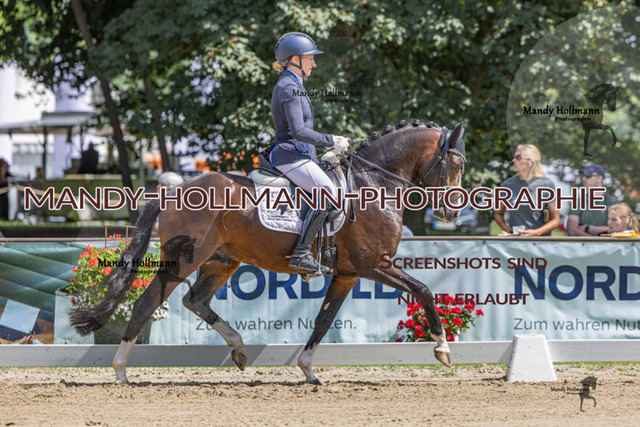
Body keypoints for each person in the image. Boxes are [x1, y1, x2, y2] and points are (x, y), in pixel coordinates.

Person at [266, 32, 350, 273]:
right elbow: (299, 131)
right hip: (291, 155)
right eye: (310, 58)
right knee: (327, 193)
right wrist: (331, 140)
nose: (314, 64)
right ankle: (301, 254)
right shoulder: (288, 87)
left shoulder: (294, 84)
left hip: (301, 155)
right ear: (295, 59)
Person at [494, 144, 560, 236]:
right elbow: (498, 213)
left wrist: (536, 232)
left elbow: (555, 220)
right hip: (516, 241)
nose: (513, 160)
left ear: (531, 162)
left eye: (518, 157)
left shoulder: (546, 184)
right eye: (514, 157)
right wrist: (504, 227)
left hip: (540, 242)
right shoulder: (507, 185)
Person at [566, 164, 612, 236]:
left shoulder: (612, 202)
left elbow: (618, 229)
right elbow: (572, 230)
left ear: (599, 178)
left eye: (588, 176)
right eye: (583, 176)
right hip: (583, 244)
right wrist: (596, 240)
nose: (584, 178)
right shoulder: (578, 202)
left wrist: (587, 228)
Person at [152, 172, 184, 237]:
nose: (158, 186)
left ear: (172, 188)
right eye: (158, 184)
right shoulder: (152, 203)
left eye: (162, 184)